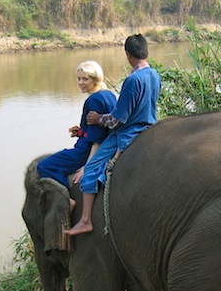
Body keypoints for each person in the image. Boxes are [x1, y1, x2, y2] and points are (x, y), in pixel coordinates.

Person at [64, 34, 161, 236]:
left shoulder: (133, 81)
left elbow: (118, 120)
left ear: (128, 54)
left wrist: (98, 119)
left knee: (90, 171)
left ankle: (85, 220)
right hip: (149, 128)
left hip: (127, 133)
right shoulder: (154, 75)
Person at [36, 61, 117, 196]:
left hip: (84, 151)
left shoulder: (93, 101)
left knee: (44, 166)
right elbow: (103, 127)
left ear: (95, 79)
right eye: (79, 78)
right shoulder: (108, 94)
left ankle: (67, 198)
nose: (80, 82)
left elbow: (96, 140)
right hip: (106, 143)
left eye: (85, 79)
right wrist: (81, 132)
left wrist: (88, 166)